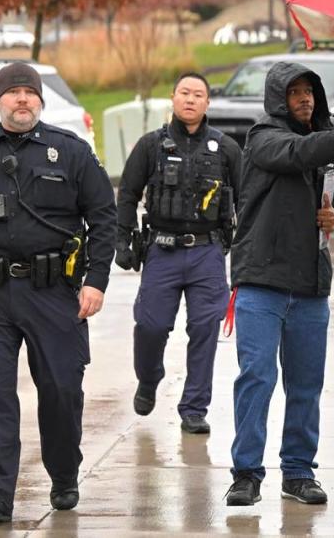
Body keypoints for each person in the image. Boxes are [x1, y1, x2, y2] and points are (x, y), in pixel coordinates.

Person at [224, 61, 334, 507]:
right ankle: (246, 474)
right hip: (261, 280)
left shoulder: (327, 144)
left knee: (306, 383)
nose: (304, 99)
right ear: (278, 97)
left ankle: (298, 472)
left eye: (310, 92)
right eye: (295, 92)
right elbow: (298, 153)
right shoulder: (262, 136)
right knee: (256, 378)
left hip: (312, 284)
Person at [0, 62, 116, 521]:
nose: (22, 99)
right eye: (13, 92)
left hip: (53, 292)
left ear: (41, 101)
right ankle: (0, 499)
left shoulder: (69, 151)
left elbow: (104, 217)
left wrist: (96, 280)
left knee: (62, 391)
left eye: (30, 92)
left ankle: (64, 476)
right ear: (0, 100)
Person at [115, 72, 242, 434]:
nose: (190, 99)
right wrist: (122, 240)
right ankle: (150, 377)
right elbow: (126, 194)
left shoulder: (227, 148)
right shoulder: (150, 146)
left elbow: (247, 200)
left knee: (204, 327)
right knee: (151, 325)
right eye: (184, 93)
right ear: (172, 98)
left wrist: (246, 251)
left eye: (198, 94)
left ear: (207, 103)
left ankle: (194, 408)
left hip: (207, 252)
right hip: (162, 249)